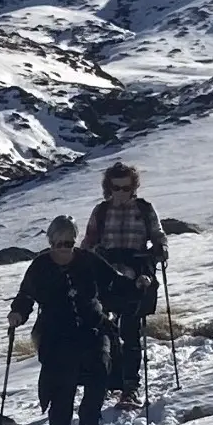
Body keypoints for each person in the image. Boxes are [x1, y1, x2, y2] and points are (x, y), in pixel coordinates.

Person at [10, 215, 122, 425]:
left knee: (99, 370)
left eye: (68, 243)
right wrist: (18, 313)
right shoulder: (40, 267)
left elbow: (114, 282)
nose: (63, 249)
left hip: (92, 327)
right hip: (56, 334)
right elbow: (25, 296)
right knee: (61, 385)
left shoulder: (88, 260)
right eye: (58, 244)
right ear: (50, 242)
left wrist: (137, 286)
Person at [80, 161, 168, 409]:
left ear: (133, 187)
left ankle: (130, 387)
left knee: (130, 332)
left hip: (136, 274)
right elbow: (89, 240)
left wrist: (161, 250)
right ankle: (111, 381)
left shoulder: (145, 209)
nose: (120, 193)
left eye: (125, 188)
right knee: (106, 331)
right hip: (106, 273)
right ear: (108, 187)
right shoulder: (101, 211)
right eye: (115, 188)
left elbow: (158, 236)